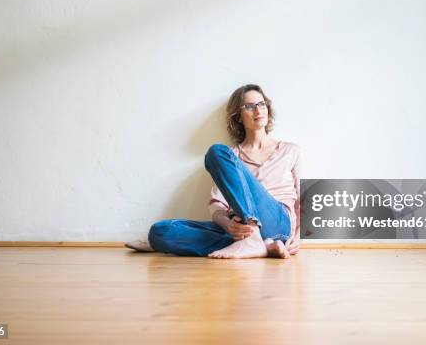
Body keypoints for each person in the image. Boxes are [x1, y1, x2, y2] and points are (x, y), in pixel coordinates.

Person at [125, 84, 301, 259]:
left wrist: (300, 237)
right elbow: (218, 205)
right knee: (159, 232)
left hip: (277, 223)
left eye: (261, 104)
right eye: (249, 106)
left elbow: (305, 198)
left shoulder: (290, 150)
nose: (258, 110)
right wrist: (228, 225)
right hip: (238, 226)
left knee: (216, 151)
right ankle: (263, 246)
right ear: (238, 116)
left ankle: (255, 239)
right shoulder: (230, 157)